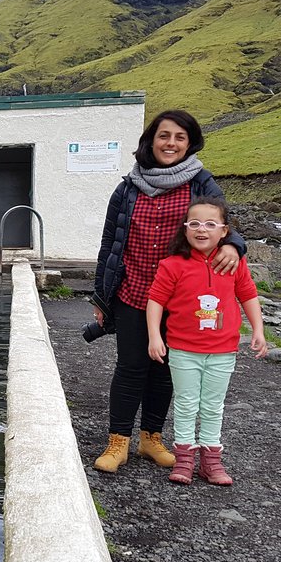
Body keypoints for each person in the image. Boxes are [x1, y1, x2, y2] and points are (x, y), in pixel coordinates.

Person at [91, 109, 247, 474]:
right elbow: (109, 243)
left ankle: (151, 440)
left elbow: (225, 223)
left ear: (189, 142)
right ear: (151, 140)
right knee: (130, 367)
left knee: (163, 370)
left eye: (179, 137)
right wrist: (101, 296)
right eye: (164, 136)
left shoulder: (201, 183)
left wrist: (234, 246)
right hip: (132, 294)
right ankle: (118, 444)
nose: (171, 143)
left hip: (181, 300)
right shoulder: (127, 188)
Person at [146, 197, 268, 485]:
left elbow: (248, 295)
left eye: (211, 224)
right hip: (183, 350)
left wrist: (258, 331)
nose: (203, 230)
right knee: (187, 403)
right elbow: (156, 301)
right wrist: (154, 336)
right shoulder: (172, 265)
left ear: (224, 231)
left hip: (223, 351)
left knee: (213, 406)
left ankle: (211, 462)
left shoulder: (233, 262)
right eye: (195, 224)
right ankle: (185, 459)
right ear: (185, 229)